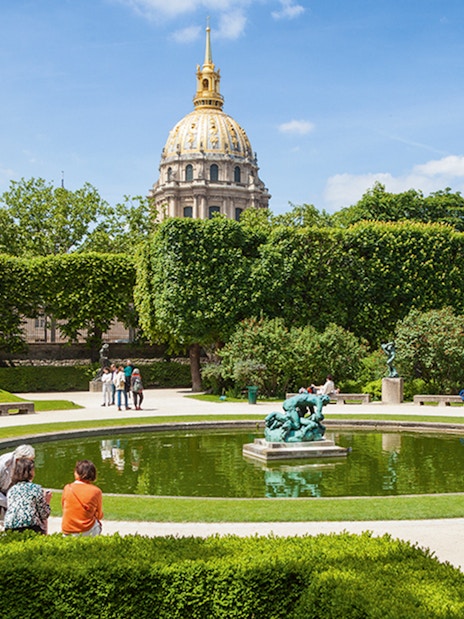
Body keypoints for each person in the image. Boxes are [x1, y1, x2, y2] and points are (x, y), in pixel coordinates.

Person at [4, 458, 51, 534]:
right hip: (30, 526)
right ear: (30, 472)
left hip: (10, 526)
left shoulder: (11, 490)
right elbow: (44, 514)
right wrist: (47, 501)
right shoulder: (36, 488)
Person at [61, 460, 103, 537]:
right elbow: (99, 515)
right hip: (87, 530)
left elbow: (64, 507)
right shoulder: (96, 491)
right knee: (98, 524)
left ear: (77, 473)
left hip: (68, 529)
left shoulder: (67, 488)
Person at [0, 444, 36, 513]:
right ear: (18, 460)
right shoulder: (2, 465)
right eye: (28, 462)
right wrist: (9, 503)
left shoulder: (24, 466)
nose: (30, 464)